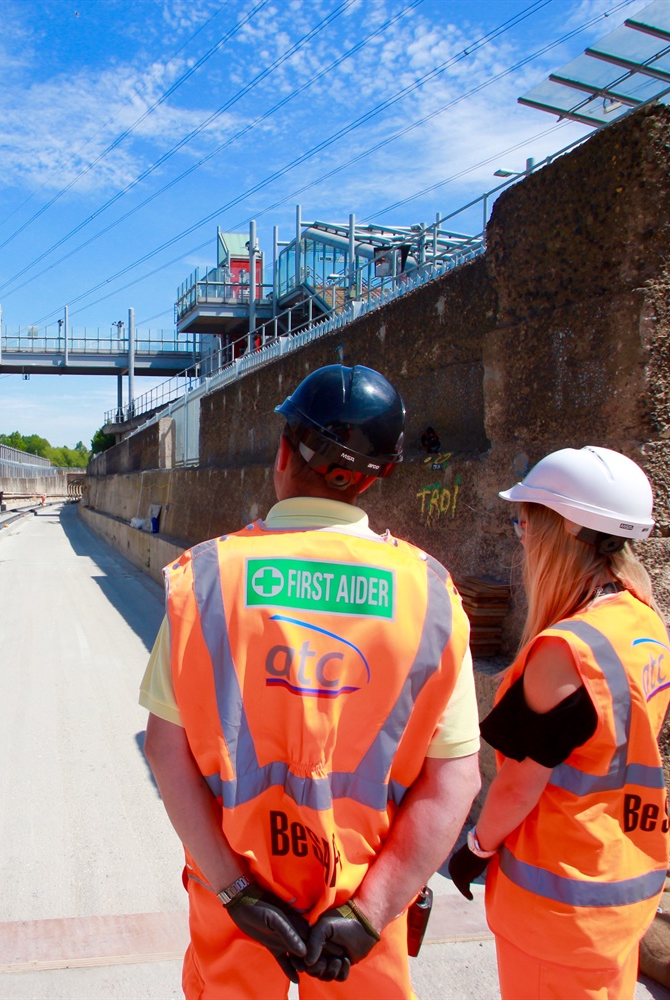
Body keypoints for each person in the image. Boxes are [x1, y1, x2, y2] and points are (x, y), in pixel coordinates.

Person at [140, 364, 482, 997]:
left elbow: (166, 750)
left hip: (238, 899)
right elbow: (455, 779)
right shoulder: (430, 596)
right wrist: (370, 912)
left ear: (282, 454)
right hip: (358, 911)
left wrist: (237, 890)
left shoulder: (208, 581)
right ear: (381, 475)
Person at [448, 446, 670, 999]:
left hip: (558, 906)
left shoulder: (566, 652)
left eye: (525, 521)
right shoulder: (646, 625)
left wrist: (476, 846)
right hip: (621, 885)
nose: (520, 534)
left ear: (565, 531)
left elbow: (520, 783)